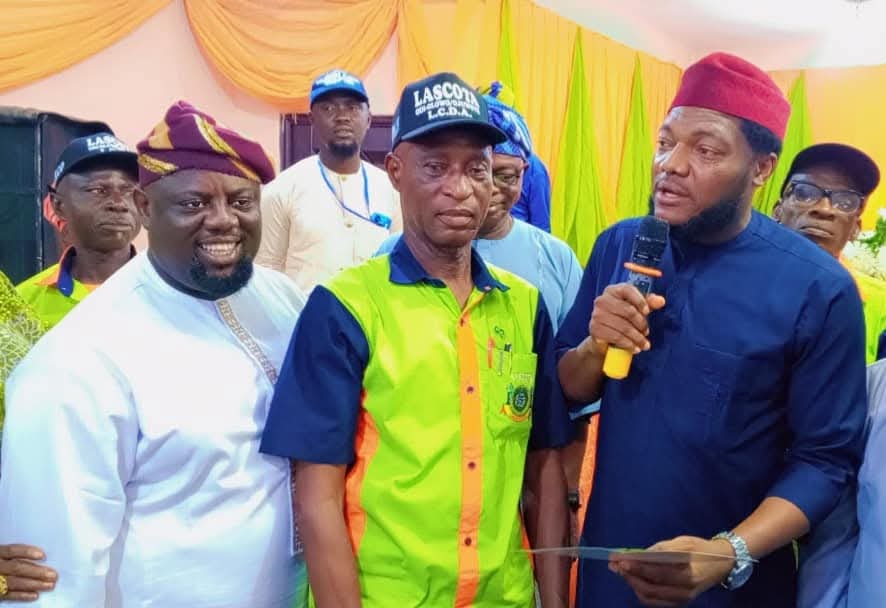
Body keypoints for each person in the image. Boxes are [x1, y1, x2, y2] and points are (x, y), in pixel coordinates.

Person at [556, 52, 867, 607]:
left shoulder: (819, 289)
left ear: (762, 169)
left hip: (731, 587)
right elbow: (570, 388)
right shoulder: (621, 244)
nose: (671, 165)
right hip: (613, 571)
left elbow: (825, 462)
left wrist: (728, 553)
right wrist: (595, 345)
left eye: (705, 150)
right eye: (665, 142)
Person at [260, 72, 572, 608]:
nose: (460, 187)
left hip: (505, 597)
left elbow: (544, 465)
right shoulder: (345, 308)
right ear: (396, 172)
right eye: (435, 167)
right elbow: (316, 499)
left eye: (476, 168)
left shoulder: (524, 306)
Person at [0, 101, 308, 607]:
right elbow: (56, 576)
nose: (223, 221)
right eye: (193, 203)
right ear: (145, 207)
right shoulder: (78, 361)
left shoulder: (279, 298)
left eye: (241, 201)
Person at [255, 69, 401, 293]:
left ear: (368, 119)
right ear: (312, 119)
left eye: (352, 107)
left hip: (373, 314)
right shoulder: (281, 190)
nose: (342, 116)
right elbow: (266, 276)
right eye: (329, 108)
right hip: (306, 315)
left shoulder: (392, 190)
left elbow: (399, 264)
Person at [773, 143, 886, 362]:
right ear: (777, 210)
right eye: (805, 193)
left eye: (845, 201)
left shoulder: (881, 306)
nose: (824, 209)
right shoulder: (735, 277)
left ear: (855, 229)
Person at [16, 133, 140, 328]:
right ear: (58, 205)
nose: (118, 204)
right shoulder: (23, 305)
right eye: (98, 190)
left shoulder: (172, 294)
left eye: (129, 191)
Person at [480, 81, 551, 232]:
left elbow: (541, 227)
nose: (490, 189)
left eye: (506, 176)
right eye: (476, 172)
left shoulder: (535, 168)